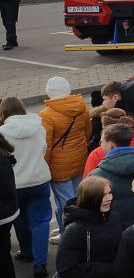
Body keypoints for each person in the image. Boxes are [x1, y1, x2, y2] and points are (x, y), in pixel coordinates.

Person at [4, 97, 52, 278]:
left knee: (19, 219)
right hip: (39, 180)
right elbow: (43, 150)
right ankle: (40, 263)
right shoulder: (39, 128)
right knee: (40, 222)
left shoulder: (2, 132)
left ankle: (27, 252)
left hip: (15, 183)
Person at [41, 75, 93, 235]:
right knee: (79, 197)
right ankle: (82, 228)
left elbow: (47, 146)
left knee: (65, 202)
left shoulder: (46, 115)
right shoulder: (82, 107)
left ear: (49, 92)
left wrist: (45, 166)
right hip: (79, 158)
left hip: (58, 165)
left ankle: (70, 233)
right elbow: (87, 132)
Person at [88, 123, 134, 227]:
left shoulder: (97, 175)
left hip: (113, 230)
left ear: (111, 145)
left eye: (102, 141)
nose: (100, 144)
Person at [0, 114, 18, 278]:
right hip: (7, 214)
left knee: (2, 262)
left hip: (2, 216)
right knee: (4, 259)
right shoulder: (4, 153)